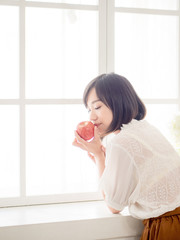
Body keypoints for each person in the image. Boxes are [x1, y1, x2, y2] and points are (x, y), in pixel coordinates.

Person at [72, 73, 180, 240]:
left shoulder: (120, 142)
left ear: (118, 102)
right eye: (89, 109)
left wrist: (99, 156)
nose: (91, 117)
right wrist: (101, 157)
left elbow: (113, 205)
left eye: (98, 107)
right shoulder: (145, 128)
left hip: (169, 227)